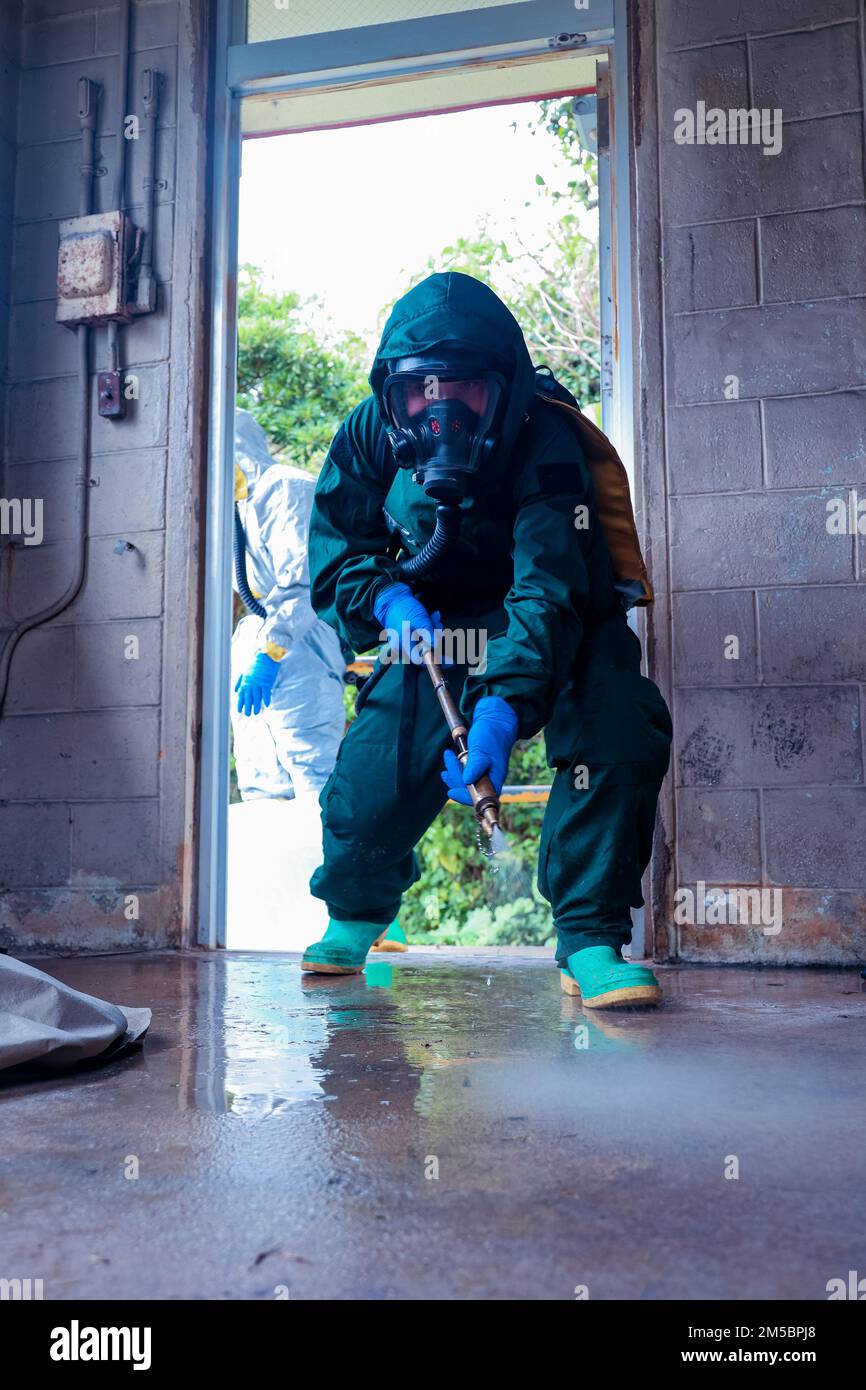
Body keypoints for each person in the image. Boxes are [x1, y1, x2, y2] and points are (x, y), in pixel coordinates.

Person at [301, 273, 671, 1008]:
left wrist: (502, 708)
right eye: (420, 391)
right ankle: (360, 910)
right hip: (430, 618)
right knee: (371, 773)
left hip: (556, 615)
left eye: (462, 388)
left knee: (618, 722)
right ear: (395, 394)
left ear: (501, 387)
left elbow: (549, 589)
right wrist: (382, 593)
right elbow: (338, 544)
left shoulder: (547, 438)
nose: (440, 410)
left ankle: (591, 937)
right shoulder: (370, 431)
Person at [231, 409, 346, 801]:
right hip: (259, 635)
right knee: (259, 773)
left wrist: (271, 651)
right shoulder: (232, 508)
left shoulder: (285, 489)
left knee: (312, 769)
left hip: (300, 641)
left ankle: (321, 862)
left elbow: (303, 581)